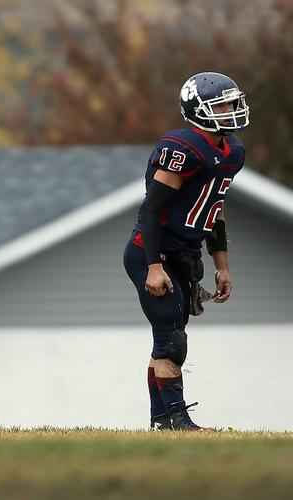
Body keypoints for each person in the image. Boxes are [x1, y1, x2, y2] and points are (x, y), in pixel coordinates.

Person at [123, 72, 249, 431]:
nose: (231, 110)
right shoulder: (183, 148)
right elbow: (150, 209)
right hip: (153, 252)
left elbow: (214, 210)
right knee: (171, 339)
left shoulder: (232, 151)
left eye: (232, 102)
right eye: (222, 104)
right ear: (199, 110)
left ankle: (162, 421)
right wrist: (153, 265)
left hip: (184, 253)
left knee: (169, 334)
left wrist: (221, 266)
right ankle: (177, 420)